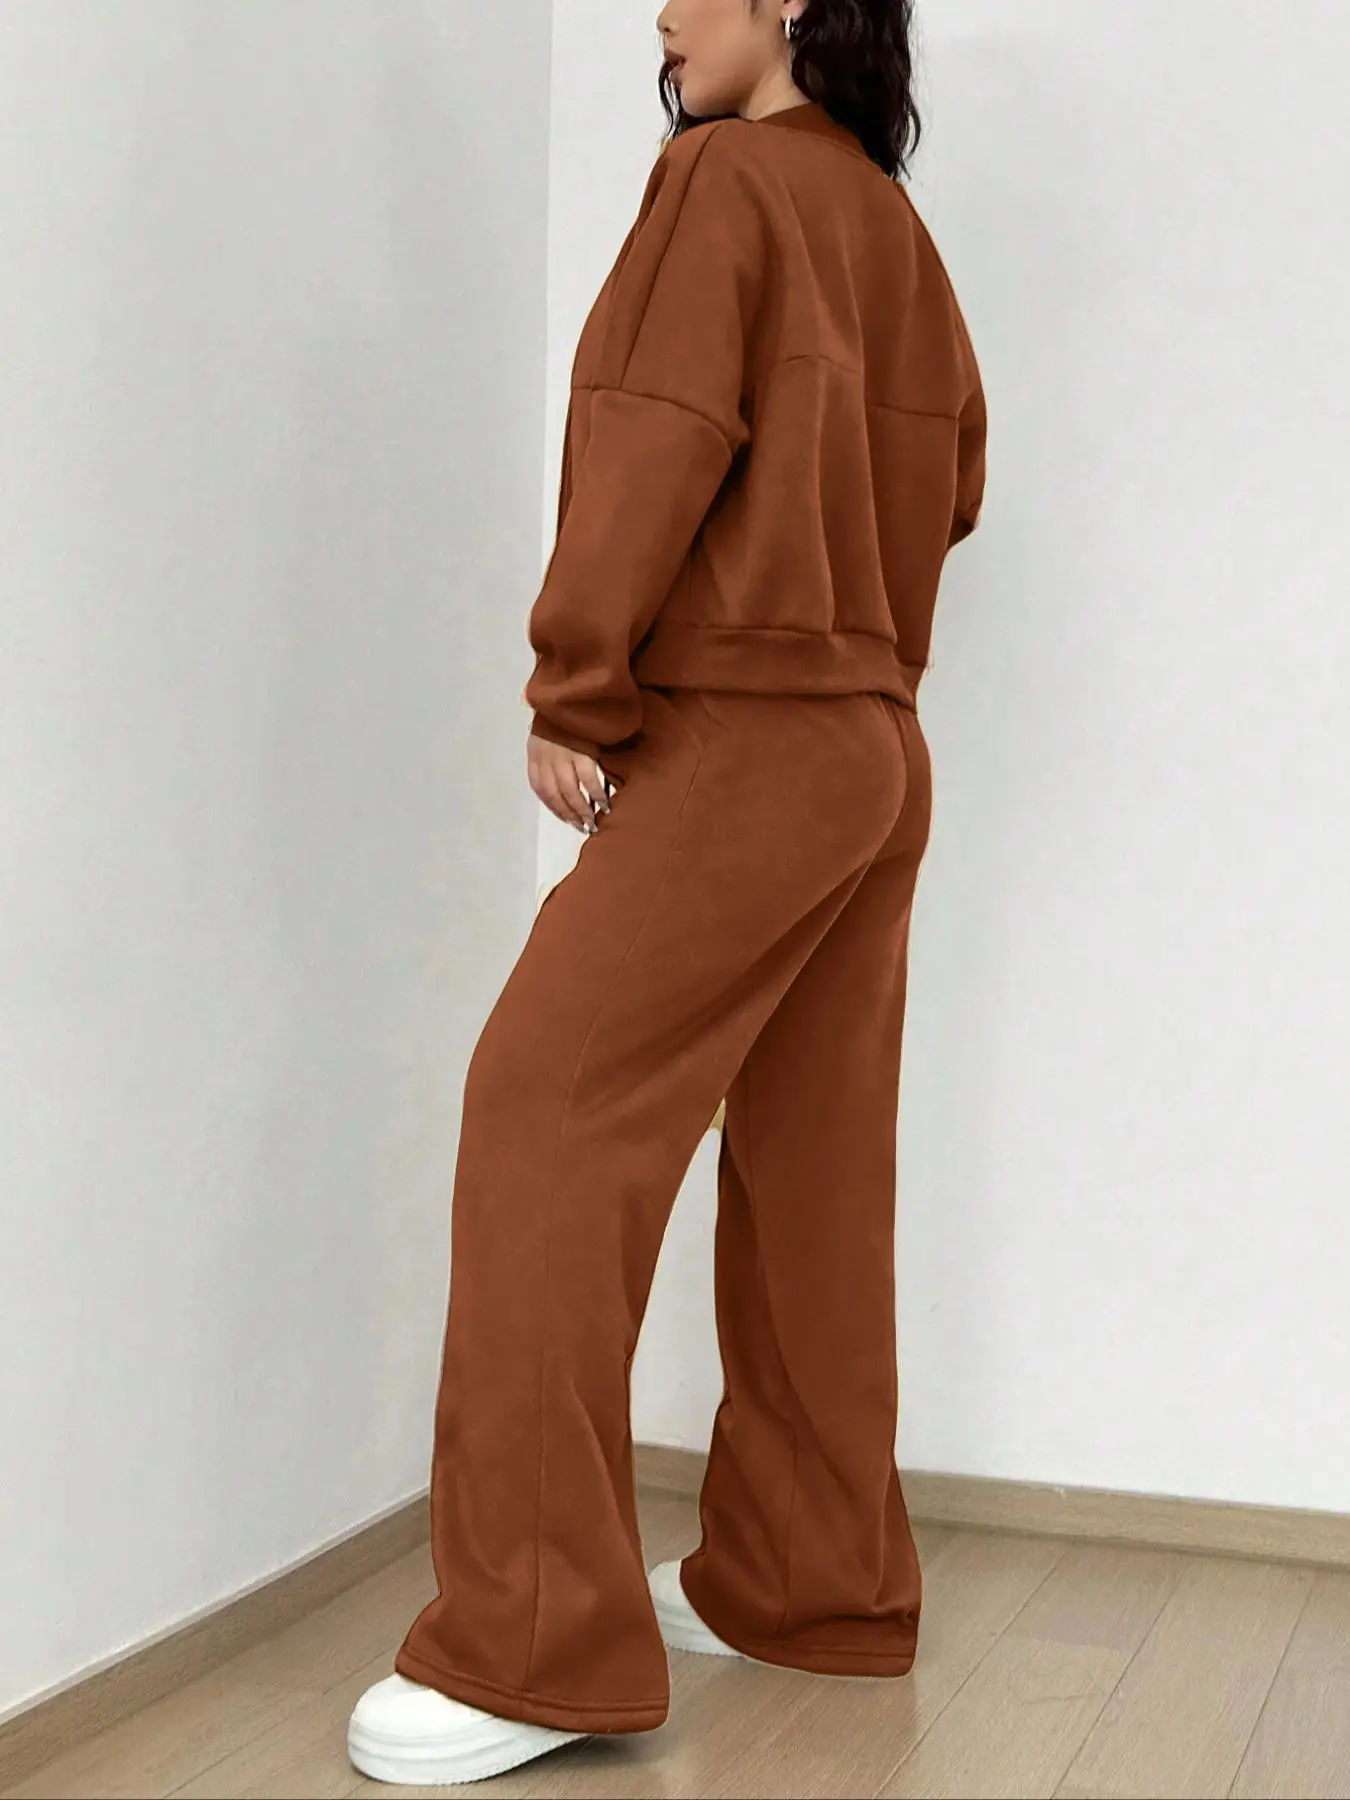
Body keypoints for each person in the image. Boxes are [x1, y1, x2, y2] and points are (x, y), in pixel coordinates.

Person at [347, 0, 986, 1784]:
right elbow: (952, 482)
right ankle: (809, 1579)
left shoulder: (719, 183)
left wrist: (580, 685)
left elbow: (654, 429)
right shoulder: (891, 225)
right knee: (811, 1164)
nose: (655, 9)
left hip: (747, 735)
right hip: (872, 745)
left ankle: (527, 1644)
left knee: (543, 1113)